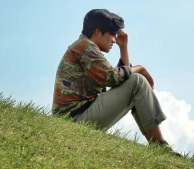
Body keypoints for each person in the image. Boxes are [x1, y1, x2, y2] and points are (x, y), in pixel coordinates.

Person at [52, 8, 180, 154]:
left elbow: (120, 80)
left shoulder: (85, 46)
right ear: (98, 31)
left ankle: (159, 145)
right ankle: (159, 145)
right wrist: (140, 68)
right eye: (112, 34)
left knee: (134, 80)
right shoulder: (84, 46)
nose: (114, 40)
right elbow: (113, 77)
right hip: (73, 120)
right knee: (137, 80)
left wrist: (123, 47)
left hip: (79, 116)